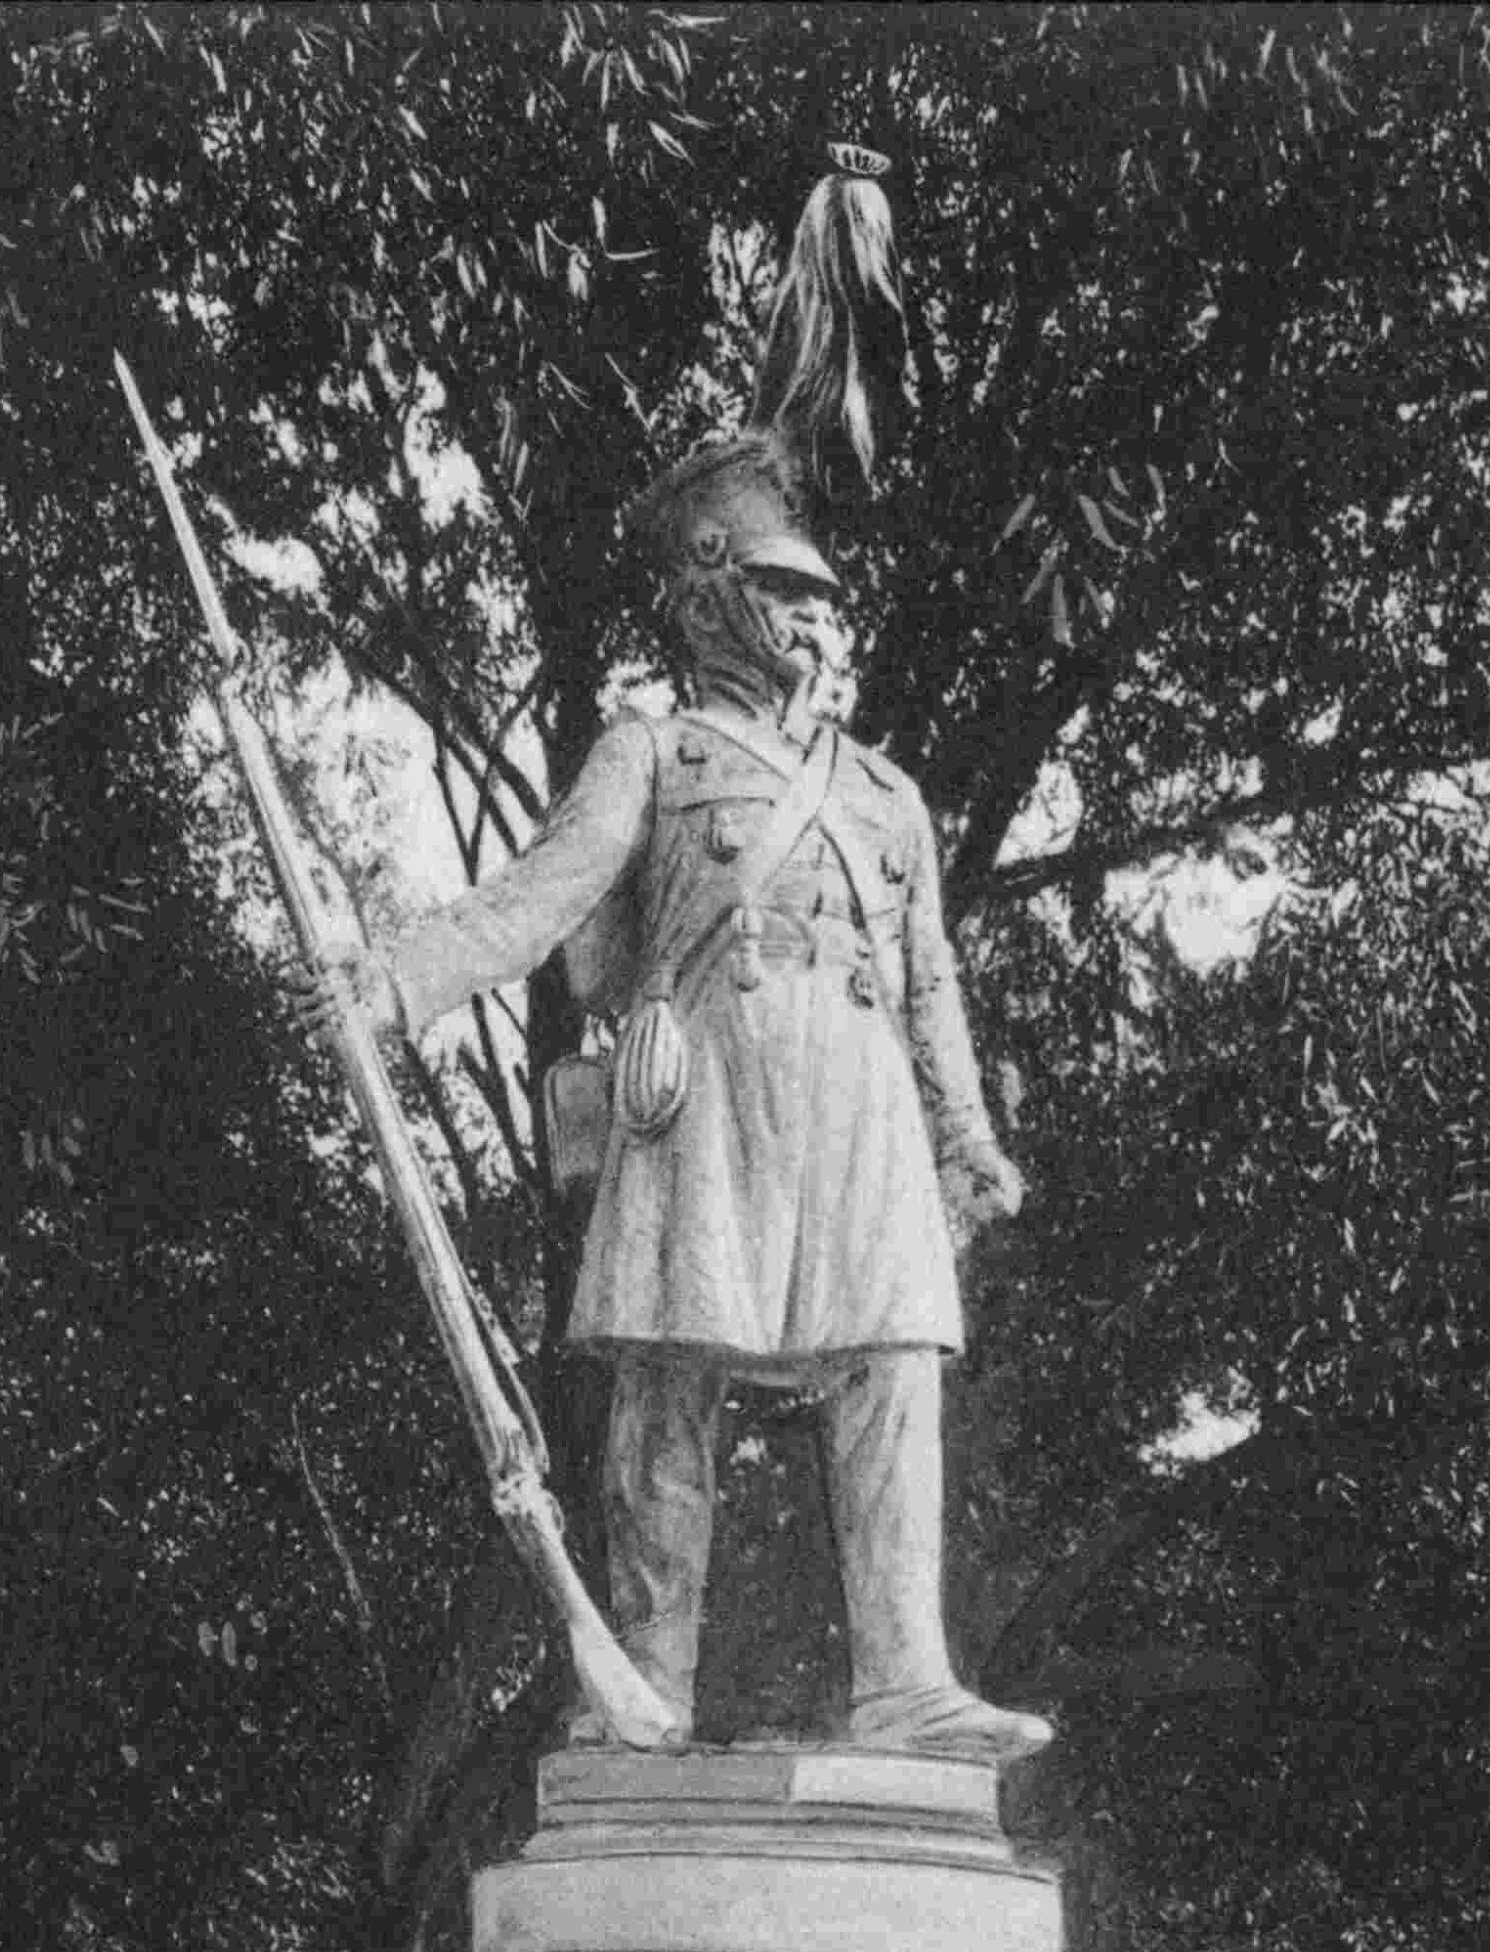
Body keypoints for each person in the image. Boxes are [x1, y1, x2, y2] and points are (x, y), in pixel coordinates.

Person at [307, 430, 1050, 1763]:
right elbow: (543, 899)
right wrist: (398, 983)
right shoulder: (649, 754)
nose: (822, 622)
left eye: (822, 599)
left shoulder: (888, 796)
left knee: (893, 1367)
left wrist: (968, 1138)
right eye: (791, 597)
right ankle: (642, 1683)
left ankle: (907, 1677)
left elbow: (931, 982)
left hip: (864, 1119)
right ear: (715, 599)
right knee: (670, 1387)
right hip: (706, 1105)